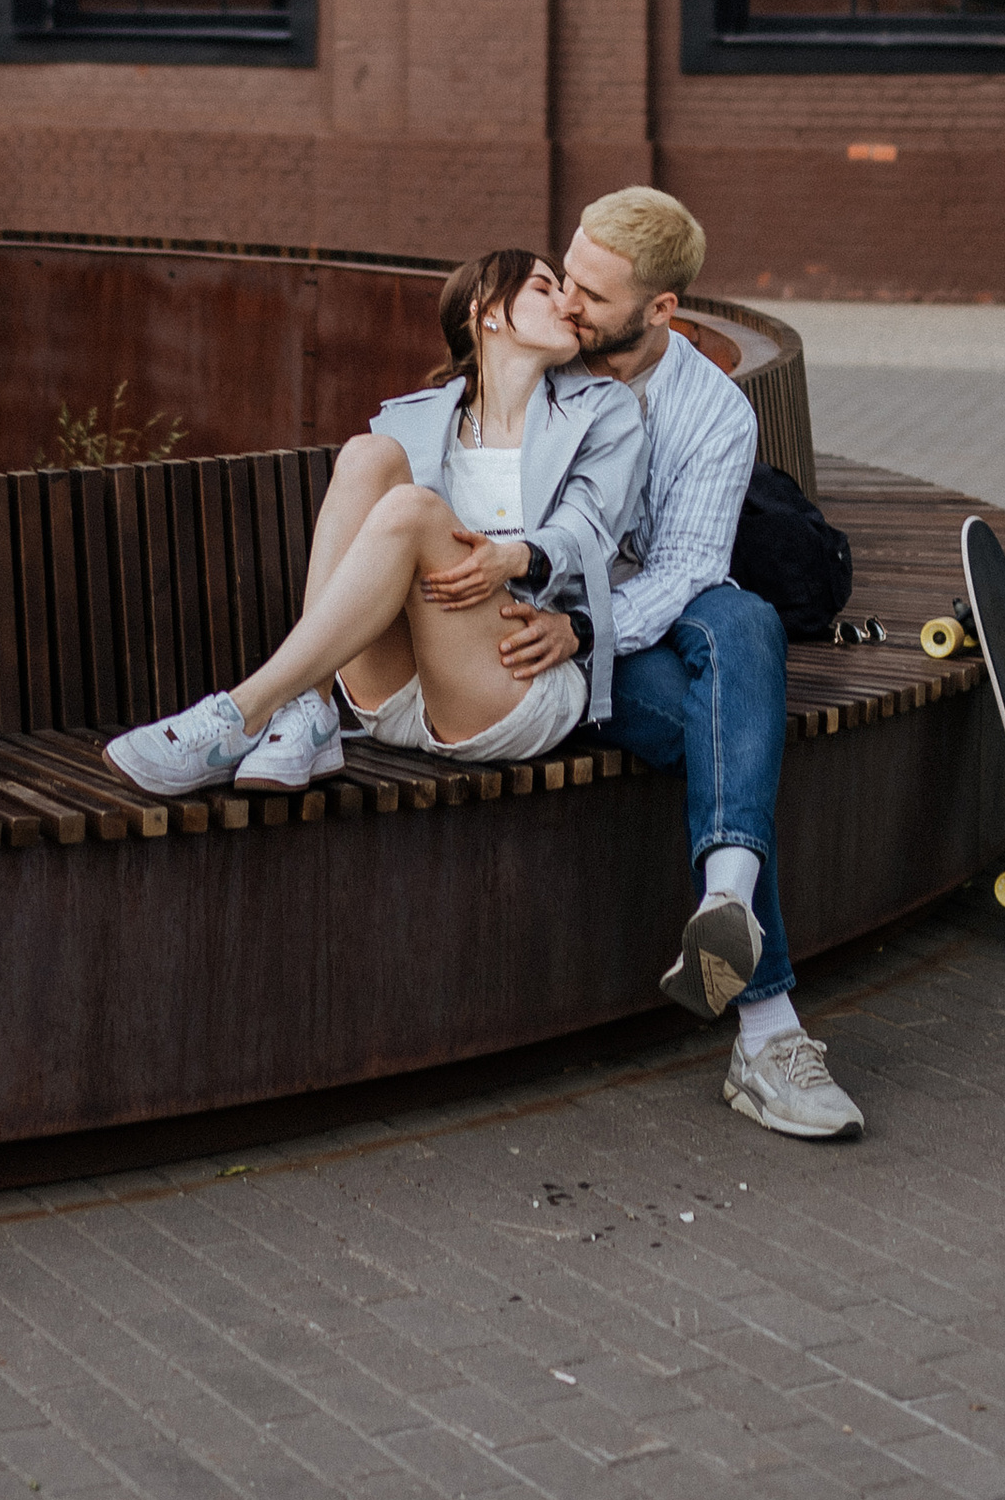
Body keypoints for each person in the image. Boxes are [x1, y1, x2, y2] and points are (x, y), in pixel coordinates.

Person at [491, 186, 864, 1144]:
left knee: (742, 617)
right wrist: (572, 631)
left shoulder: (713, 414)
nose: (567, 302)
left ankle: (727, 899)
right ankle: (767, 1027)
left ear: (661, 308)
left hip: (628, 629)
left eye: (593, 294)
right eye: (566, 275)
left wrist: (592, 630)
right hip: (547, 638)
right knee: (730, 719)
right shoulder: (537, 361)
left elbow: (690, 568)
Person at [104, 249, 645, 798]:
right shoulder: (412, 421)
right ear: (487, 312)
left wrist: (514, 557)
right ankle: (311, 709)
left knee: (413, 508)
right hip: (398, 692)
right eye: (544, 288)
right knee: (369, 455)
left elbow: (588, 528)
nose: (567, 303)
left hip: (516, 679)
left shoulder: (603, 410)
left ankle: (239, 713)